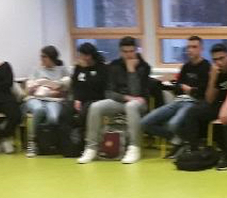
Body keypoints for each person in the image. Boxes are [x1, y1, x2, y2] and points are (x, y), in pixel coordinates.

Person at [78, 37, 153, 165]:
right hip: (120, 100)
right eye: (125, 51)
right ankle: (91, 148)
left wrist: (131, 70)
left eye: (131, 51)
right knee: (95, 106)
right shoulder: (114, 65)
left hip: (139, 103)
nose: (128, 55)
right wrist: (126, 98)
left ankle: (134, 147)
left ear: (136, 50)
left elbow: (136, 93)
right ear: (120, 51)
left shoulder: (144, 67)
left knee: (131, 106)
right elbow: (109, 92)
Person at [178, 43, 227, 164]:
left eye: (221, 58)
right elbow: (209, 99)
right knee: (192, 112)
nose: (218, 62)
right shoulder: (216, 72)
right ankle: (194, 151)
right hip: (223, 104)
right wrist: (212, 78)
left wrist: (225, 108)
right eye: (215, 60)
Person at [142, 35, 211, 157]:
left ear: (201, 49)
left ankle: (184, 143)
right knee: (145, 123)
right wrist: (186, 88)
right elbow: (178, 87)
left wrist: (189, 89)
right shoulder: (186, 66)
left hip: (193, 102)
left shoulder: (207, 67)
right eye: (188, 47)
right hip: (178, 101)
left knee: (173, 124)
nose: (190, 50)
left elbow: (204, 92)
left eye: (194, 47)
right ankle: (178, 140)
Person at [23, 45, 70, 157]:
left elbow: (64, 90)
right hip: (35, 98)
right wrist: (34, 88)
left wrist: (53, 91)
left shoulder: (62, 70)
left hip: (54, 100)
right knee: (39, 110)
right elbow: (28, 90)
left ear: (52, 57)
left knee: (53, 118)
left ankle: (46, 141)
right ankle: (32, 141)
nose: (42, 59)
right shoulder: (36, 70)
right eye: (41, 56)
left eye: (44, 56)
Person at [65, 42, 108, 135]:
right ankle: (68, 135)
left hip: (95, 98)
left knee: (85, 110)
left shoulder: (102, 68)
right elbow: (75, 85)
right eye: (80, 55)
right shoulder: (78, 67)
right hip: (80, 98)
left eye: (84, 55)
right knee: (65, 108)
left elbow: (95, 86)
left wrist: (86, 70)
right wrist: (77, 99)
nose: (82, 58)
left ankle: (79, 132)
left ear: (91, 55)